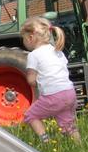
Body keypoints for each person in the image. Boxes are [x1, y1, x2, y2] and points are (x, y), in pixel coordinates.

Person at [20, 15, 81, 143]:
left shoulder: (33, 55)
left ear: (30, 38)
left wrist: (37, 82)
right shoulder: (58, 51)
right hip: (69, 92)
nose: (23, 41)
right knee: (67, 124)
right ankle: (79, 145)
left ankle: (46, 142)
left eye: (23, 38)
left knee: (31, 116)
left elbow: (31, 80)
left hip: (54, 96)